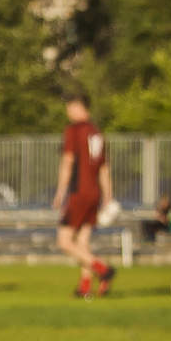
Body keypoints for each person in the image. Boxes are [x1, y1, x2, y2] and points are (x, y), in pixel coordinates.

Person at [51, 94, 117, 298]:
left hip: (79, 192)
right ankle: (85, 287)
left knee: (64, 241)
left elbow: (68, 161)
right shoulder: (96, 133)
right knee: (82, 242)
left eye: (70, 107)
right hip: (94, 193)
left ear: (79, 107)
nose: (68, 112)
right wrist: (107, 195)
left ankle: (103, 269)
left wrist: (60, 191)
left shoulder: (75, 130)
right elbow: (104, 167)